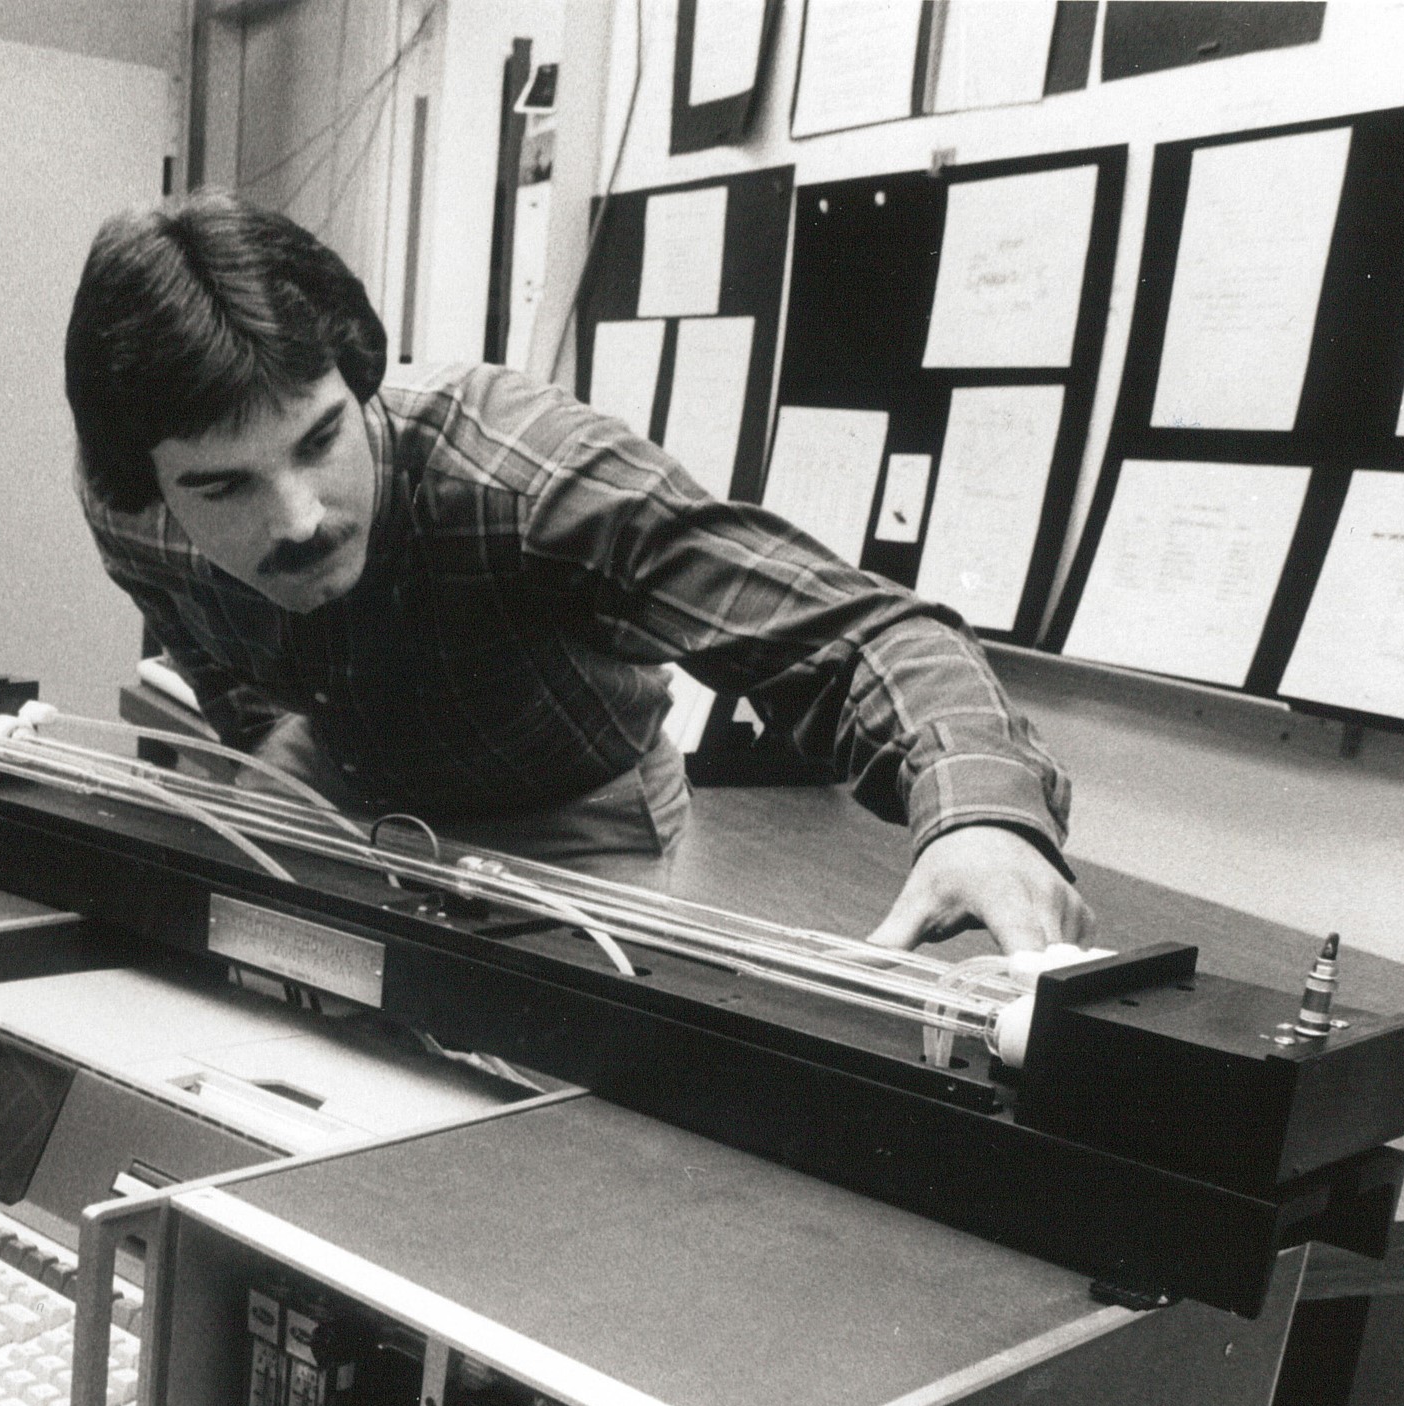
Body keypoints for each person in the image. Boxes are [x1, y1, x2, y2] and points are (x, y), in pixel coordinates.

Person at [63, 191, 1095, 954]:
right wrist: (277, 764)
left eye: (318, 438)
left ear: (358, 374)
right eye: (222, 489)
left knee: (545, 1091)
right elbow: (219, 672)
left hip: (570, 806)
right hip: (335, 767)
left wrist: (984, 818)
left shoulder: (526, 475)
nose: (295, 519)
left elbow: (857, 635)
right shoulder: (132, 516)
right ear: (150, 483)